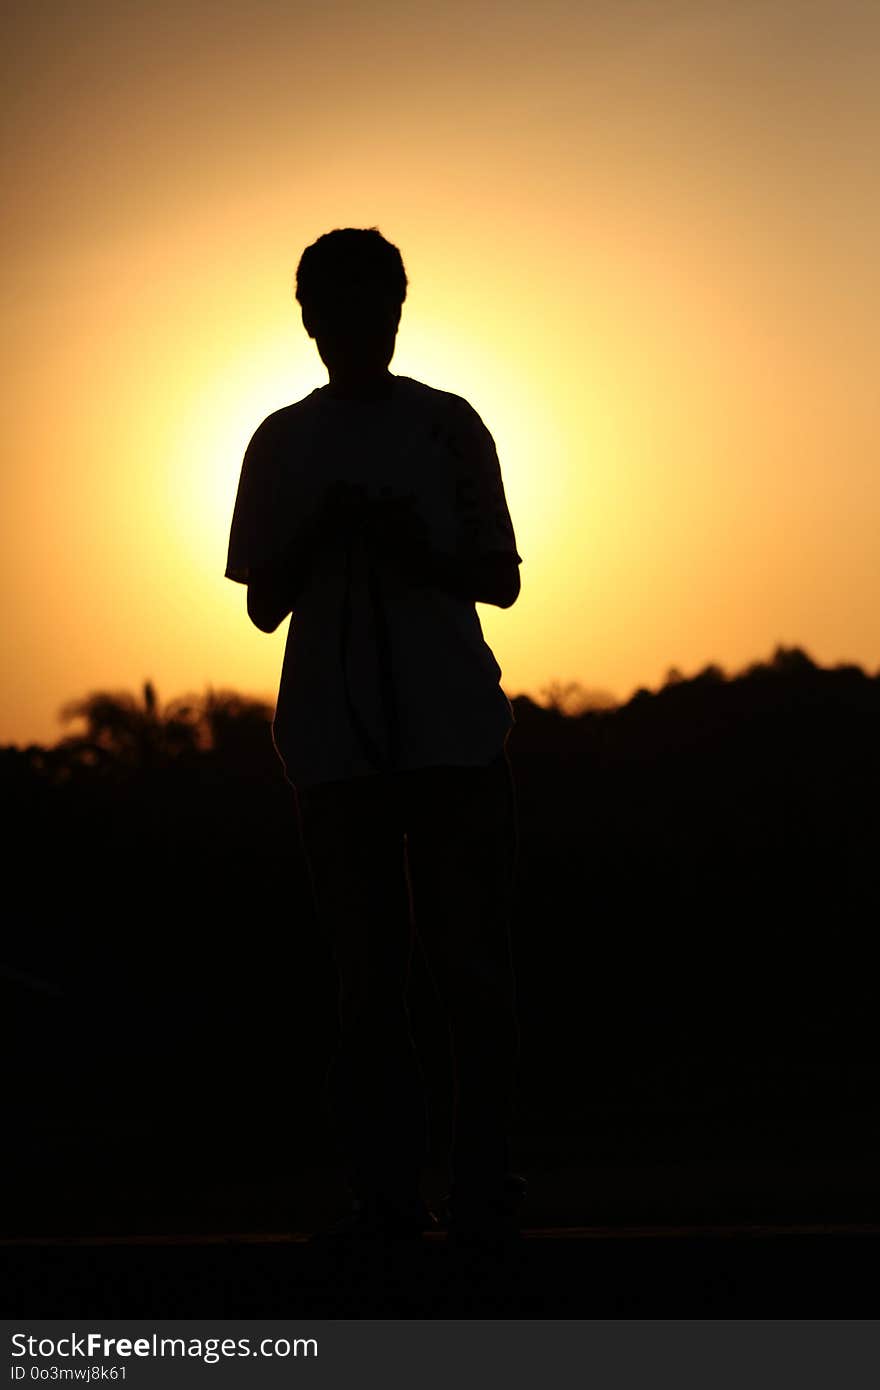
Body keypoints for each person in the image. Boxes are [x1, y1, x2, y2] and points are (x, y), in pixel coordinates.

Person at [224, 227, 524, 1251]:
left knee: (466, 975)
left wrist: (411, 546)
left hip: (451, 736)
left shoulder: (448, 427)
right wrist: (323, 535)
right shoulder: (280, 441)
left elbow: (501, 578)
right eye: (339, 308)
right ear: (309, 316)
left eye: (375, 304)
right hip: (335, 746)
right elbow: (263, 602)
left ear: (400, 307)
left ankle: (482, 1195)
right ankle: (387, 1201)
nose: (358, 326)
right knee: (367, 984)